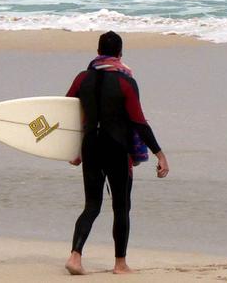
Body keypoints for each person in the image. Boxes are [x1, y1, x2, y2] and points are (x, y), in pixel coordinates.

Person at [65, 31, 169, 275]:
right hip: (116, 147)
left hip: (90, 145)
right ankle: (120, 264)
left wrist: (72, 149)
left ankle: (75, 257)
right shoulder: (125, 82)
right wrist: (159, 154)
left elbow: (66, 110)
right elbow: (138, 122)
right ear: (120, 54)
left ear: (98, 51)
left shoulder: (82, 79)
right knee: (121, 207)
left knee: (91, 205)